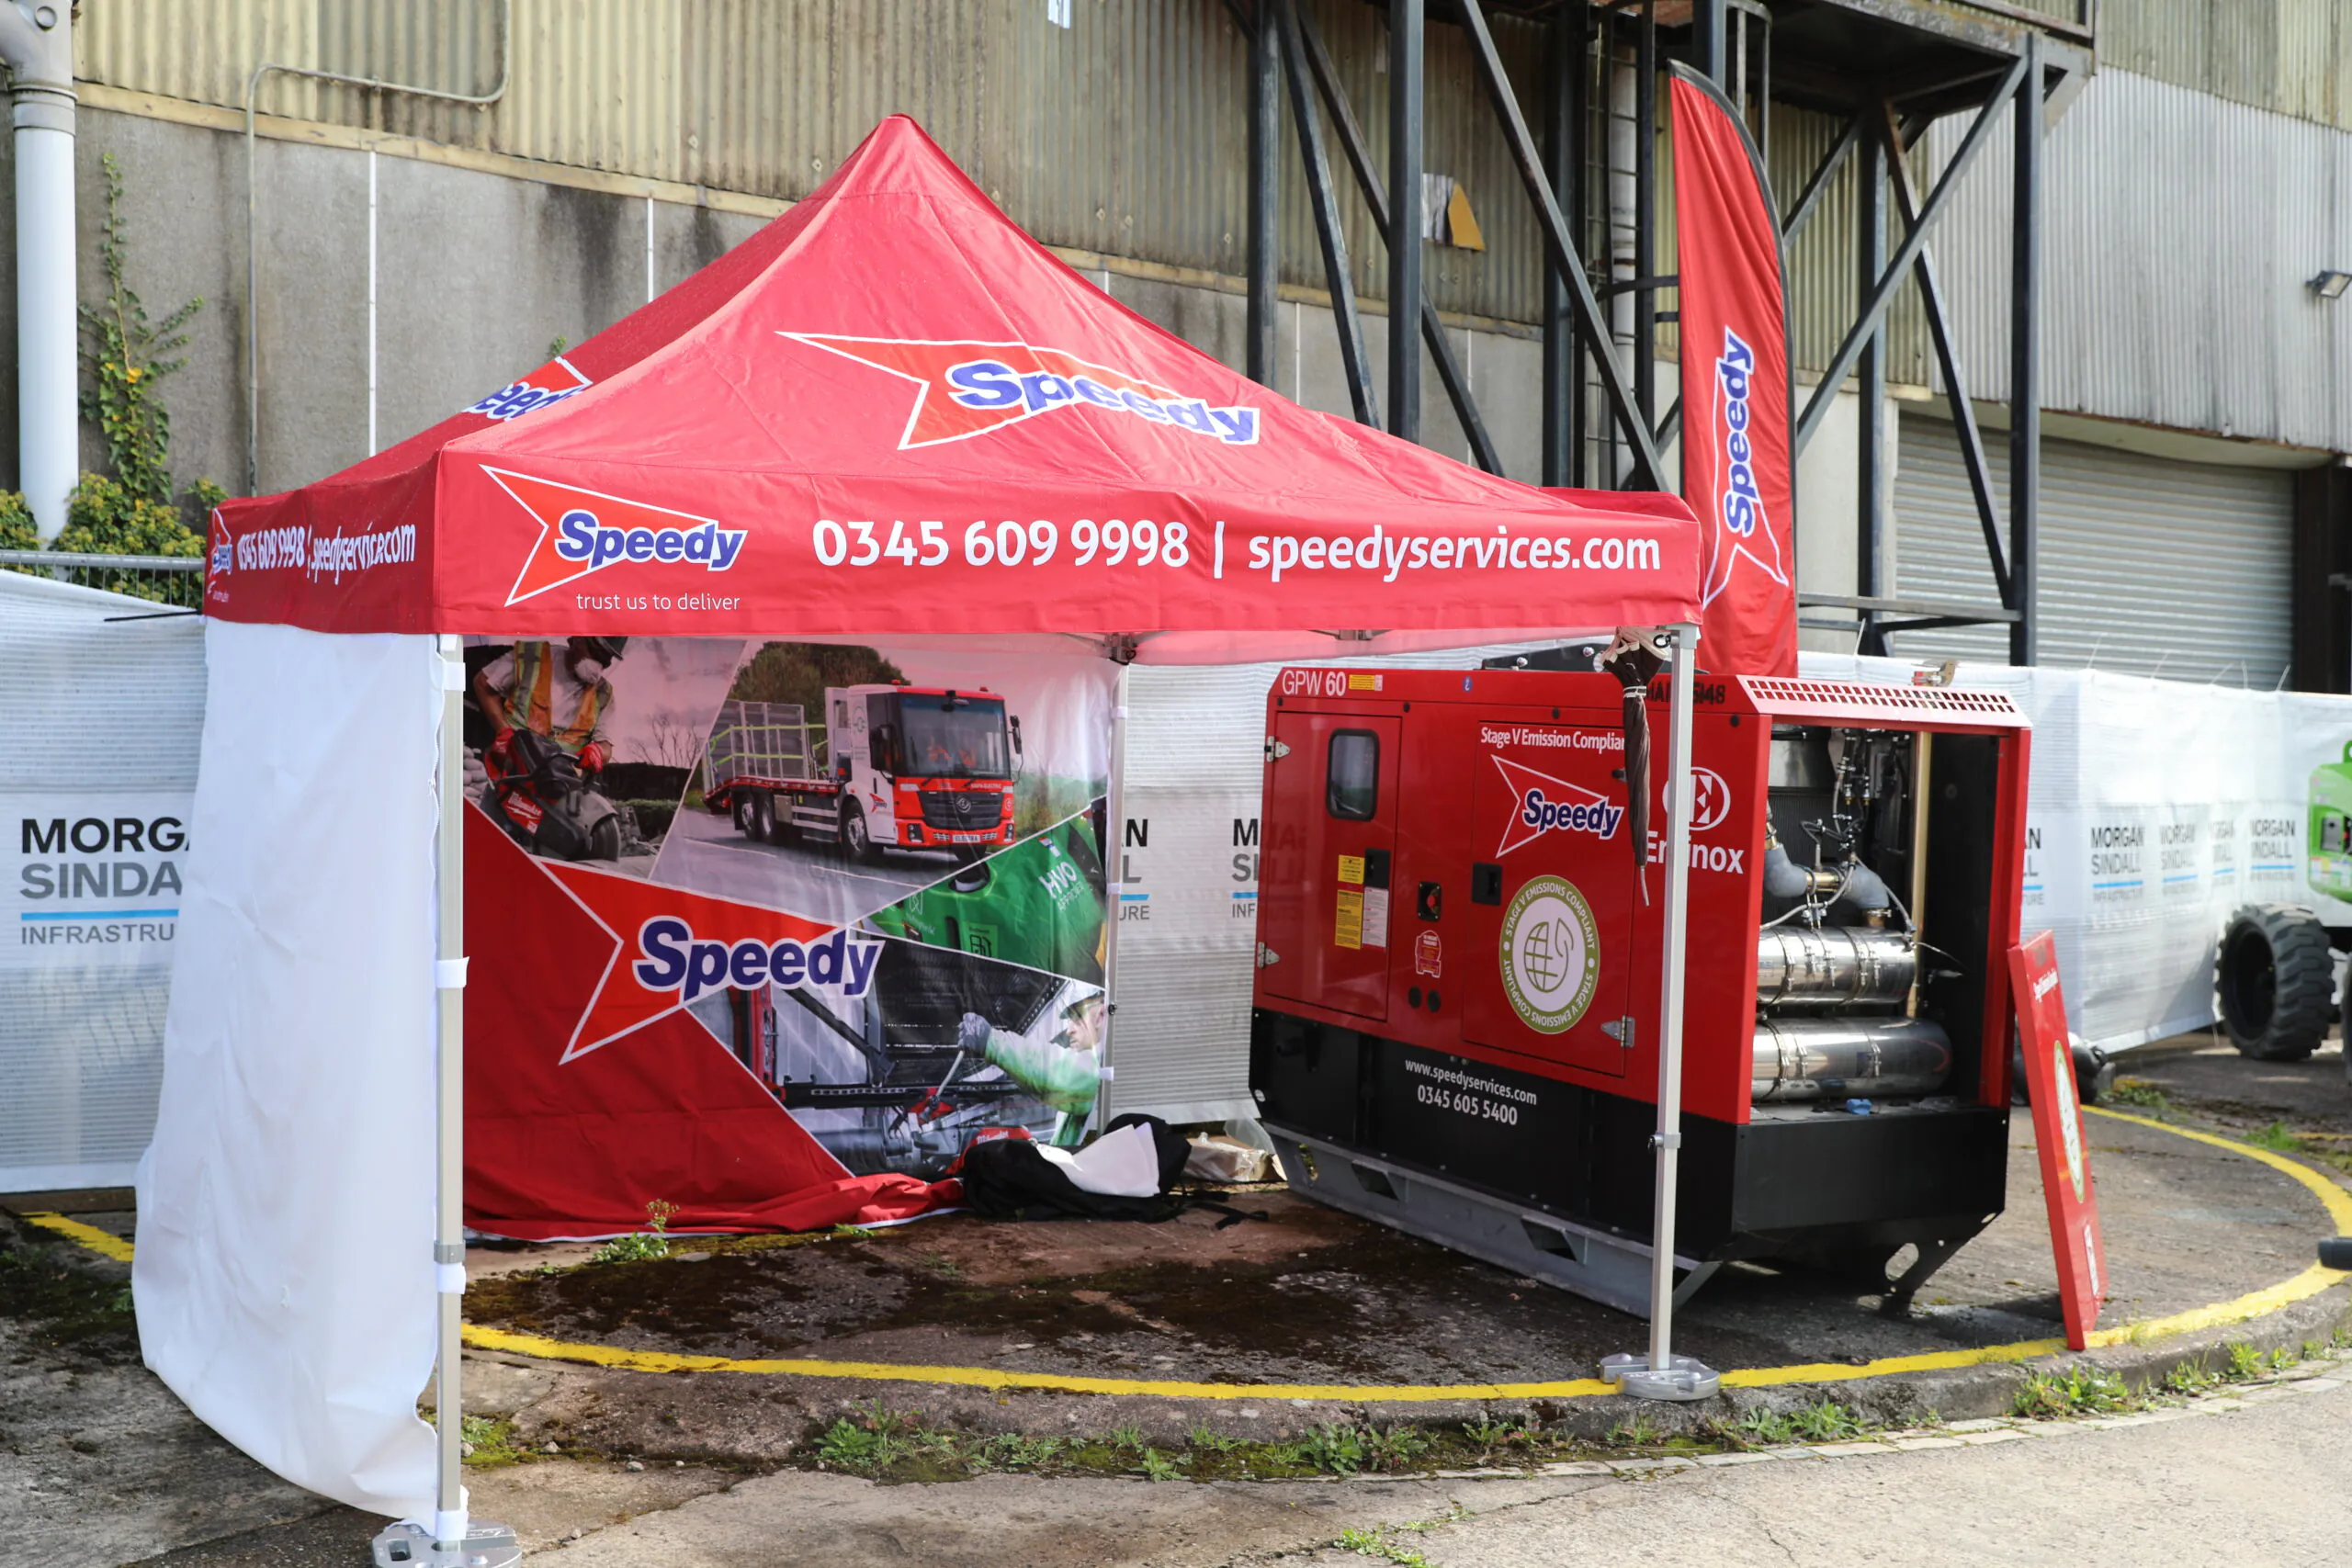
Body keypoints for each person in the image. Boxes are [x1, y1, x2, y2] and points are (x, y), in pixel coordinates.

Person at [959, 993, 1106, 1145]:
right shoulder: (1089, 1074)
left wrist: (990, 1040)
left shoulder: (1092, 1071)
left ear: (1100, 1015)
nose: (1069, 1030)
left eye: (1078, 1018)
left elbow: (1048, 1066)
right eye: (1070, 1020)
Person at [473, 637, 624, 773]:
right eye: (596, 653)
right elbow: (483, 683)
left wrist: (598, 753)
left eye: (606, 659)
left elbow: (605, 747)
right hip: (509, 762)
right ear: (579, 639)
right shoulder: (532, 657)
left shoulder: (604, 693)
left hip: (557, 778)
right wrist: (503, 730)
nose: (599, 664)